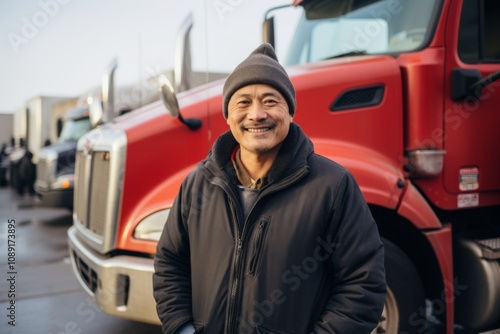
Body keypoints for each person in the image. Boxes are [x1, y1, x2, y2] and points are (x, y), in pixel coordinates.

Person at [153, 43, 386, 334]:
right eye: (243, 103)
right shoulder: (198, 184)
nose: (256, 114)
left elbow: (363, 284)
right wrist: (182, 327)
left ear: (291, 113)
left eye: (270, 101)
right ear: (228, 116)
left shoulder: (332, 186)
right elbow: (170, 263)